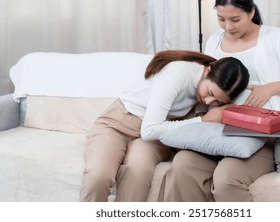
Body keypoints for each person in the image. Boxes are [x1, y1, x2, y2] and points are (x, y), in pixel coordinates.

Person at [160, 0, 280, 202]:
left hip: (258, 136)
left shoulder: (275, 39)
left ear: (251, 12)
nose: (228, 27)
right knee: (182, 165)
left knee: (227, 177)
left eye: (235, 19)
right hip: (218, 130)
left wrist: (270, 89)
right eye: (221, 19)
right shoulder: (214, 42)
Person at [79, 49, 250, 202]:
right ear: (208, 70)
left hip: (155, 137)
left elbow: (155, 133)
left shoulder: (207, 89)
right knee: (98, 176)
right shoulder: (179, 73)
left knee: (138, 174)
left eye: (218, 101)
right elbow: (149, 129)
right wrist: (203, 120)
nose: (208, 101)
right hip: (118, 123)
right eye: (210, 93)